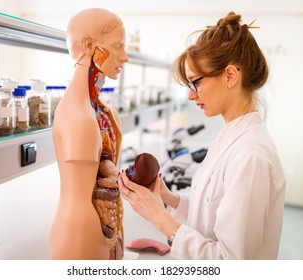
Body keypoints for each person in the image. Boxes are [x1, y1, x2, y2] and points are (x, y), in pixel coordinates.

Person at [118, 11, 286, 260]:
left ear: (230, 76)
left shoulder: (251, 156)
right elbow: (210, 213)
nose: (190, 95)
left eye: (196, 82)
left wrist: (159, 217)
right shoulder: (231, 135)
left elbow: (230, 262)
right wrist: (167, 198)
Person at [49, 8, 129, 260]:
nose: (125, 57)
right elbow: (81, 196)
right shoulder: (77, 116)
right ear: (89, 45)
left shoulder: (104, 113)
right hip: (81, 236)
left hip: (105, 228)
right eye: (118, 46)